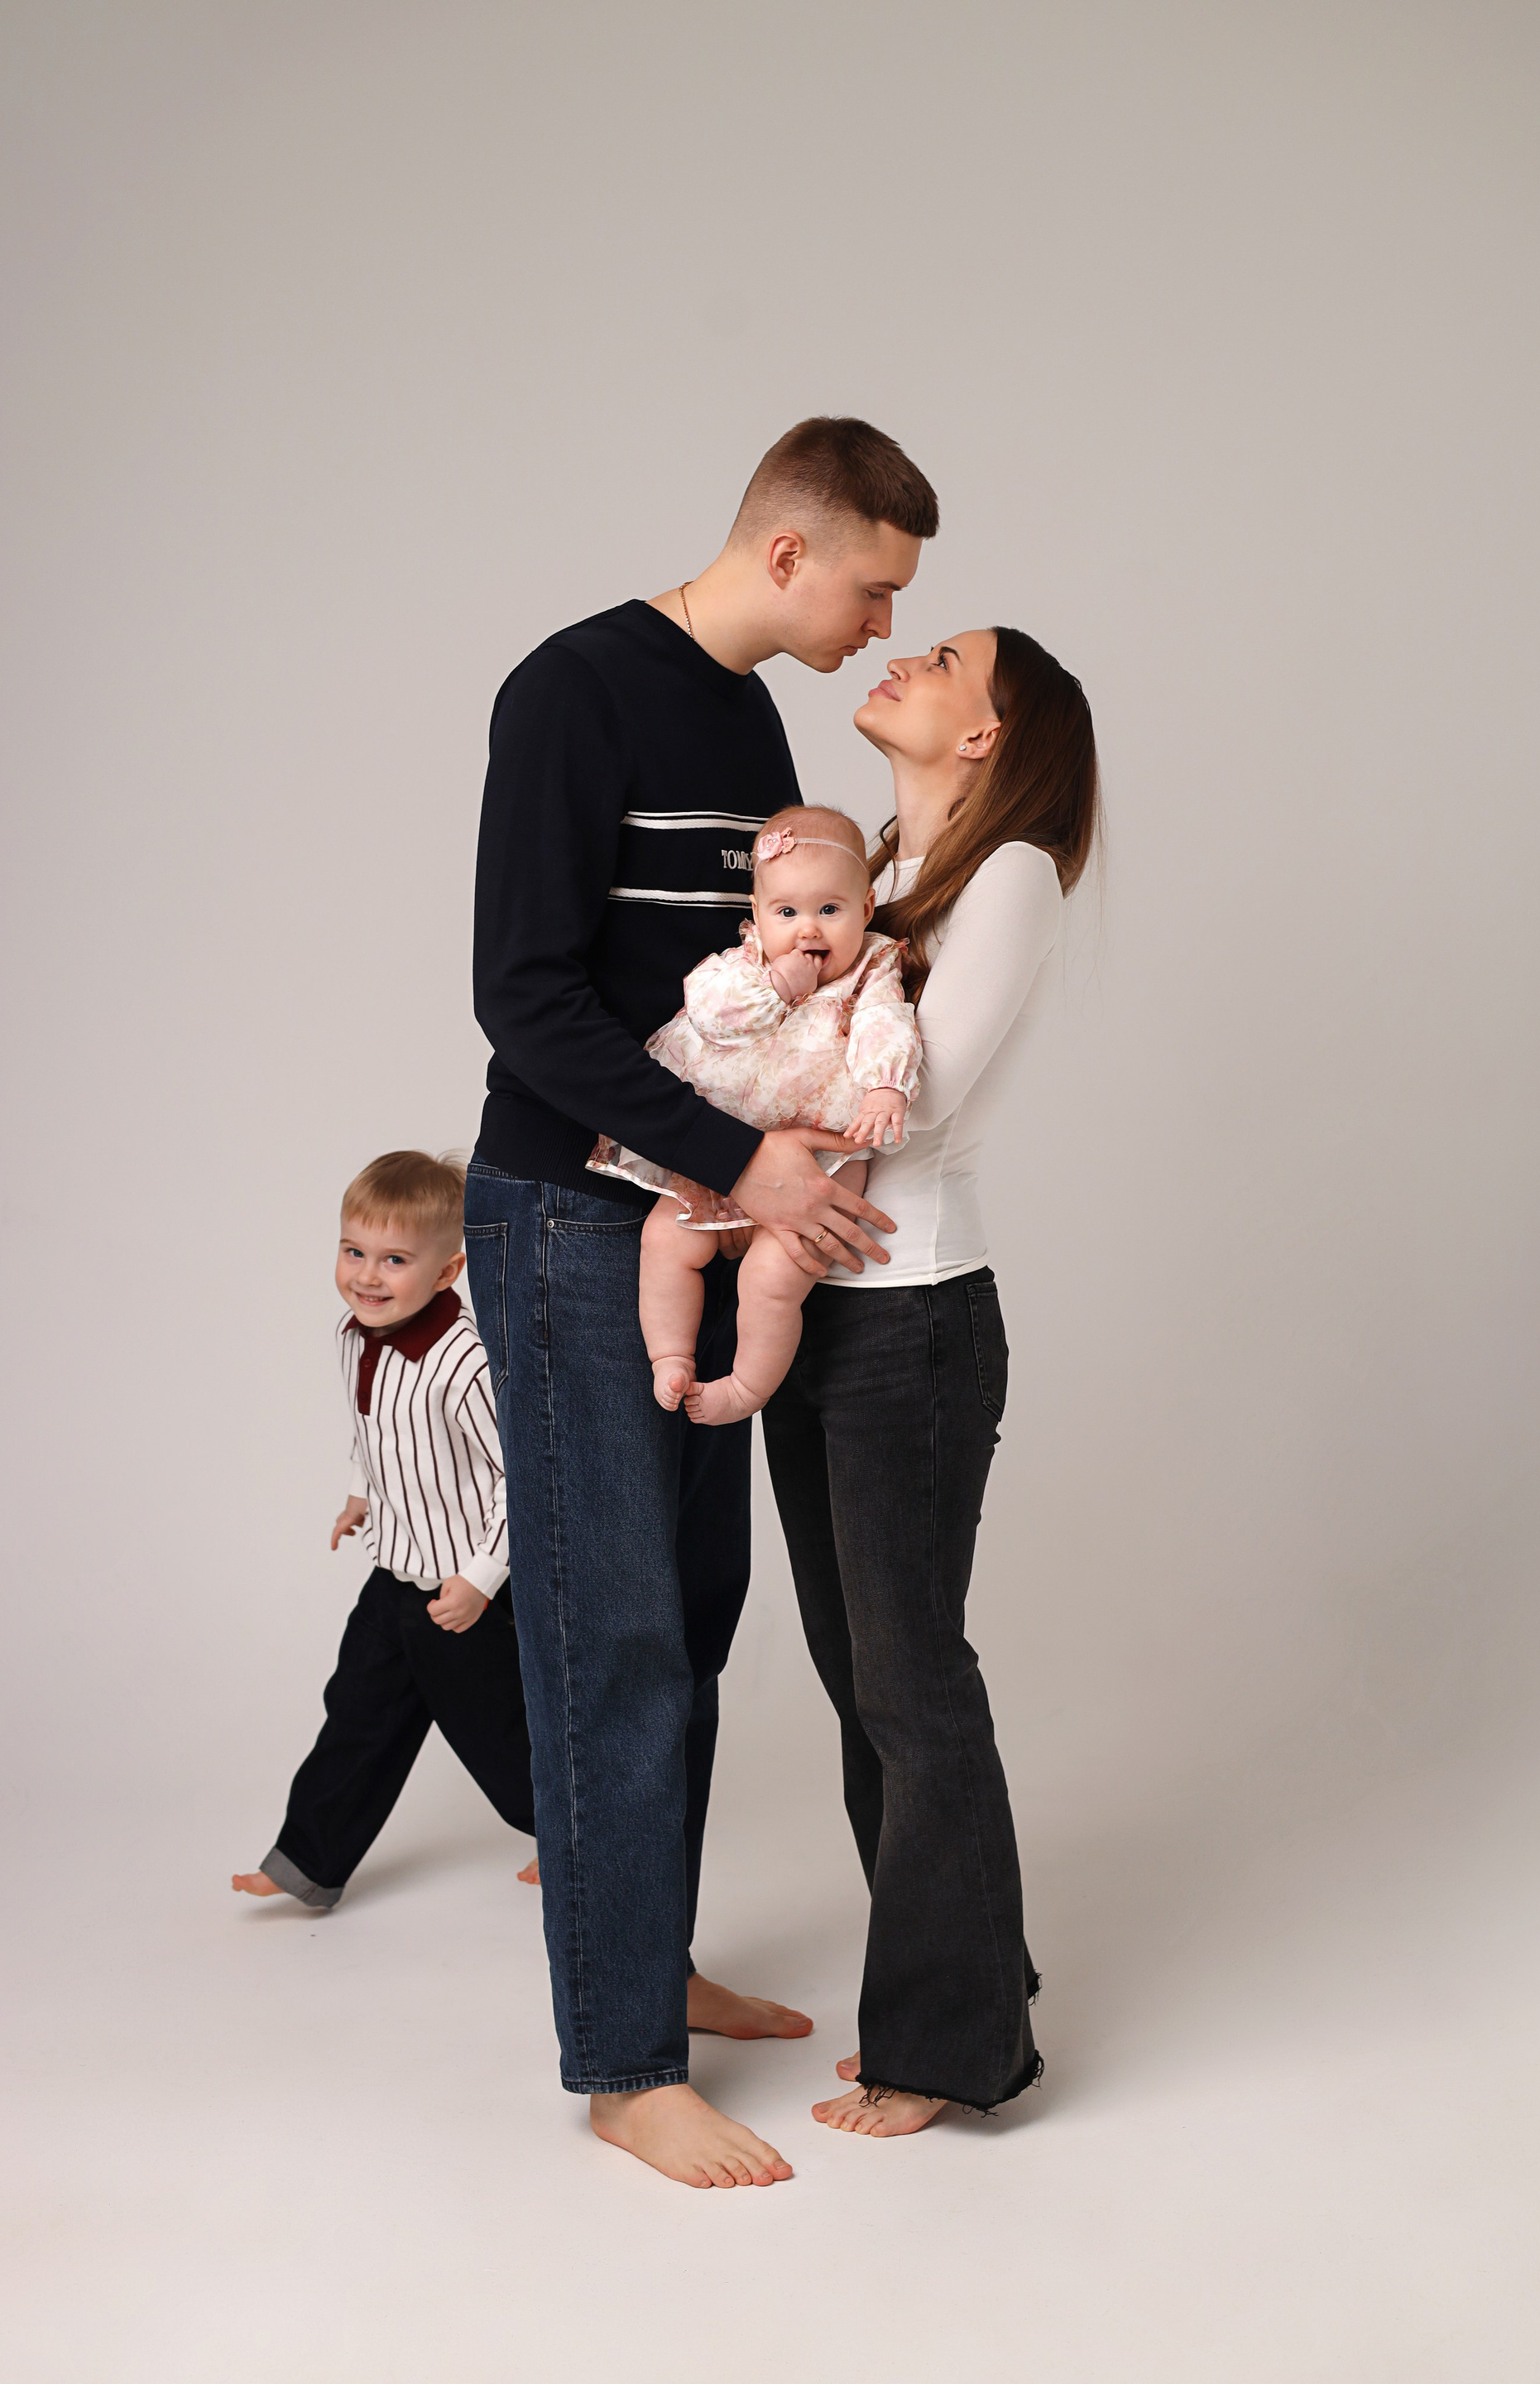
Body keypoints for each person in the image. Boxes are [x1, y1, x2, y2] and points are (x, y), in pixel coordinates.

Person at [468, 418, 938, 2189]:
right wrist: (745, 1168)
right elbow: (523, 995)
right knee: (612, 1635)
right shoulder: (572, 691)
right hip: (570, 1223)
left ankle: (644, 1955)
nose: (883, 626)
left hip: (702, 1225)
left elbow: (761, 979)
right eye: (873, 588)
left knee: (696, 1608)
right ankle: (623, 2065)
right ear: (790, 551)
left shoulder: (751, 727)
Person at [761, 627, 1099, 2136]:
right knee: (862, 1680)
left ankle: (951, 2048)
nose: (903, 652)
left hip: (912, 1323)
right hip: (821, 1311)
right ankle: (969, 1976)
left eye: (947, 657)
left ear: (986, 735)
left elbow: (914, 1093)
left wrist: (757, 1148)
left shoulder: (1009, 870)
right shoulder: (884, 866)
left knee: (907, 1678)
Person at [232, 1151, 539, 1913]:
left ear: (447, 1272)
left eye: (395, 1260)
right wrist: (359, 1494)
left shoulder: (464, 1362)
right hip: (395, 1574)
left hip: (464, 1590)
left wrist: (481, 1579)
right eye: (354, 1251)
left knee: (499, 1733)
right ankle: (308, 1861)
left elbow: (521, 1476)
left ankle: (575, 1838)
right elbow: (377, 1434)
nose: (367, 1276)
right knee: (358, 1711)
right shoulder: (353, 1334)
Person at [588, 804, 922, 1425]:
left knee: (773, 1276)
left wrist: (885, 1087)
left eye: (830, 909)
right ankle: (670, 1354)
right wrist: (778, 987)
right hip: (723, 1147)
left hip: (822, 1153)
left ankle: (747, 1388)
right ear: (757, 912)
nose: (807, 930)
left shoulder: (872, 969)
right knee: (665, 1240)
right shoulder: (742, 968)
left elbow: (886, 1023)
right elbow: (710, 1015)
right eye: (786, 912)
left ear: (867, 908)